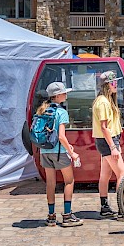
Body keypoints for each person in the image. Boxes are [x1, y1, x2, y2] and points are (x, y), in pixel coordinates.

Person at [38, 82, 83, 227]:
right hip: (59, 152)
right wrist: (72, 153)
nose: (66, 94)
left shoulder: (42, 110)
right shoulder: (61, 112)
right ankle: (67, 215)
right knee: (69, 181)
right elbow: (62, 137)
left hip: (44, 151)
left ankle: (51, 217)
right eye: (64, 93)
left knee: (50, 183)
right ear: (57, 96)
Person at [92, 70, 124, 218]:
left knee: (105, 174)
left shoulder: (103, 100)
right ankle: (121, 210)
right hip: (108, 141)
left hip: (106, 140)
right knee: (122, 174)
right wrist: (113, 146)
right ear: (108, 84)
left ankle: (105, 206)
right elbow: (104, 127)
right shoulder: (104, 102)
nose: (116, 84)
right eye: (114, 82)